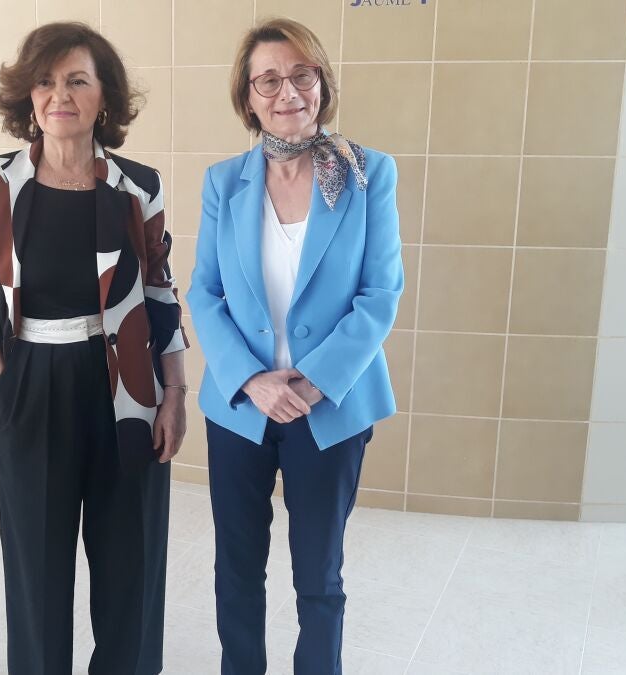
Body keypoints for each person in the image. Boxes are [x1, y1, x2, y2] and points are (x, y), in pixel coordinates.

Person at [0, 22, 188, 675]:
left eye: (78, 80)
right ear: (28, 96)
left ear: (103, 96)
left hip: (129, 390)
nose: (61, 95)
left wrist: (175, 393)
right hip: (31, 382)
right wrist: (4, 393)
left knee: (131, 569)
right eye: (47, 82)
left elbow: (161, 292)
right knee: (39, 574)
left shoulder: (138, 185)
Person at [185, 17, 404, 675]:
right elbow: (204, 292)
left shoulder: (366, 174)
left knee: (319, 575)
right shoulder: (224, 182)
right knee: (236, 570)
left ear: (322, 83)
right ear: (247, 96)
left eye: (301, 74)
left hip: (329, 406)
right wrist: (252, 380)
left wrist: (312, 381)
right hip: (241, 407)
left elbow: (380, 292)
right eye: (269, 79)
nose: (288, 91)